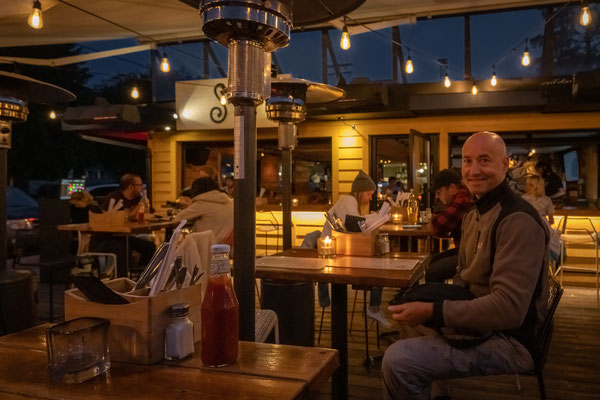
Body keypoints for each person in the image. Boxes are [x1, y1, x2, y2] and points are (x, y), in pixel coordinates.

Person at [382, 131, 549, 400]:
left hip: (511, 340)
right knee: (407, 314)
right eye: (468, 162)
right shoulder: (473, 214)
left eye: (484, 160)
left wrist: (436, 310)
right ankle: (439, 394)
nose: (474, 170)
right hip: (480, 325)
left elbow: (509, 310)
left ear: (505, 165)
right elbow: (462, 279)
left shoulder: (517, 220)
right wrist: (436, 307)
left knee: (397, 360)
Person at [320, 170, 391, 327]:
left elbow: (355, 225)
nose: (370, 198)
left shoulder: (352, 202)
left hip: (341, 249)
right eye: (369, 194)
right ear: (360, 193)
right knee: (378, 266)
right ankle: (373, 307)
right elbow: (355, 224)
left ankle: (374, 306)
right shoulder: (348, 200)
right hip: (334, 250)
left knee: (378, 264)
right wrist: (378, 217)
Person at [90, 173, 156, 277]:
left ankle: (141, 275)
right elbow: (106, 218)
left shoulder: (138, 198)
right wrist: (133, 213)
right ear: (130, 186)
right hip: (106, 238)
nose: (142, 187)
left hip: (124, 236)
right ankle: (122, 278)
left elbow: (151, 214)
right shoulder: (114, 198)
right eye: (139, 185)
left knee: (150, 247)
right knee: (122, 247)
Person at [426, 169, 473, 282]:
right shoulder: (462, 195)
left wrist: (434, 221)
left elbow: (439, 227)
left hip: (470, 256)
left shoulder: (462, 198)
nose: (437, 197)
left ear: (451, 187)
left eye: (439, 192)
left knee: (433, 271)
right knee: (433, 260)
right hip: (465, 250)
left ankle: (436, 298)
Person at [174, 177, 233, 243]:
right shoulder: (228, 201)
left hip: (207, 248)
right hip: (226, 247)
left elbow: (177, 220)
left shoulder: (202, 203)